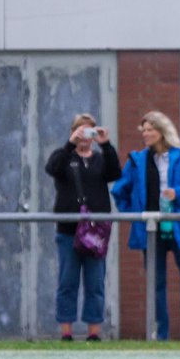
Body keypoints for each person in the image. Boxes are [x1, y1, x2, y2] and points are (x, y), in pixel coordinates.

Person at [112, 111, 180, 340]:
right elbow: (119, 191)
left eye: (150, 129)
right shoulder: (138, 161)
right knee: (155, 284)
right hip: (151, 229)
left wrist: (178, 193)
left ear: (162, 131)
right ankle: (161, 334)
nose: (146, 134)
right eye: (144, 130)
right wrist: (135, 213)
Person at [44, 113, 122, 341]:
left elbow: (115, 173)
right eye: (81, 131)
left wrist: (105, 144)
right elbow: (52, 168)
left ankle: (93, 332)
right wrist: (70, 144)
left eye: (90, 131)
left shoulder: (99, 159)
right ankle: (66, 331)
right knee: (67, 281)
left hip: (95, 232)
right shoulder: (64, 157)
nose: (85, 137)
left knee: (95, 281)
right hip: (69, 231)